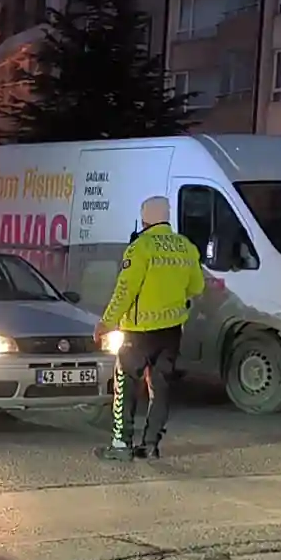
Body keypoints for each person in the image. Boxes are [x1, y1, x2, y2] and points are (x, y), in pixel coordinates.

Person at [95, 195, 206, 461]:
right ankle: (151, 444)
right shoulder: (186, 247)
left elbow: (125, 289)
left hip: (138, 330)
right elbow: (196, 287)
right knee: (161, 387)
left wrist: (107, 322)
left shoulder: (140, 247)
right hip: (170, 330)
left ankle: (121, 445)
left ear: (144, 219)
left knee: (126, 383)